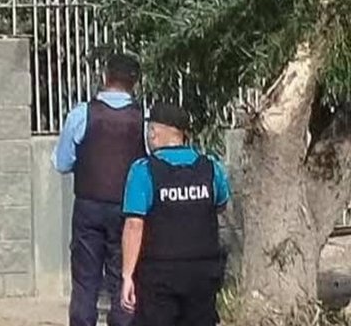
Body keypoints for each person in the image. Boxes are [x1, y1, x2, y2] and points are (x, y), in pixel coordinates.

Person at [54, 54, 146, 326]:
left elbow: (62, 163)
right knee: (124, 277)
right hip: (129, 210)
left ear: (105, 77)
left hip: (88, 206)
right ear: (135, 83)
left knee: (85, 281)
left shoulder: (81, 114)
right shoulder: (143, 119)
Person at [120, 102, 230, 326]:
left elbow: (134, 225)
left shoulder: (143, 170)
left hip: (158, 277)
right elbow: (220, 204)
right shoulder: (211, 167)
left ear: (153, 132)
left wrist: (127, 275)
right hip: (202, 275)